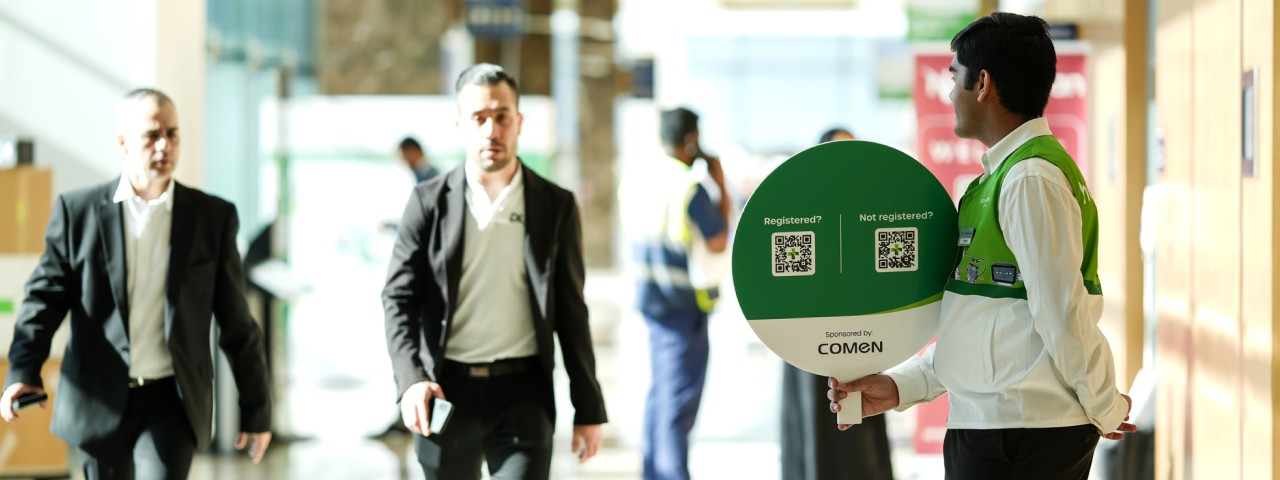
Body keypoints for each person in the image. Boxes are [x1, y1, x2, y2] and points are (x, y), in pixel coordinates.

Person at [827, 13, 1137, 480]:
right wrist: (901, 386)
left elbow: (1062, 315)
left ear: (983, 83)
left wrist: (1105, 405)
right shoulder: (999, 181)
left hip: (1022, 437)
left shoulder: (1030, 178)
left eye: (954, 77)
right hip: (1000, 432)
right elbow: (983, 326)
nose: (949, 94)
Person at [1, 88, 273, 479]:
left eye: (173, 134)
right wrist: (23, 372)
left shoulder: (211, 218)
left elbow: (237, 323)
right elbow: (43, 301)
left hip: (171, 399)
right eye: (152, 135)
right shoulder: (78, 213)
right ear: (123, 142)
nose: (165, 145)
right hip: (97, 393)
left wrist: (256, 409)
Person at [382, 63, 607, 480]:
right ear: (460, 126)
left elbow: (571, 309)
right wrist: (411, 379)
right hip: (446, 389)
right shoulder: (428, 202)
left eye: (502, 116)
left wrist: (588, 406)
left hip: (524, 392)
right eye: (479, 118)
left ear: (518, 121)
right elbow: (398, 298)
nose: (491, 130)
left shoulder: (554, 205)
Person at [618, 107, 730, 480]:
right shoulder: (689, 187)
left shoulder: (638, 180)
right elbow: (718, 241)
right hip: (683, 308)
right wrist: (719, 182)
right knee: (677, 403)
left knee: (660, 397)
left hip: (652, 303)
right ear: (692, 139)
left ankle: (653, 473)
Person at [780, 128, 894, 480]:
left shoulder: (871, 211)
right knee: (814, 426)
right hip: (810, 340)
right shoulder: (799, 209)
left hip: (859, 339)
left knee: (861, 438)